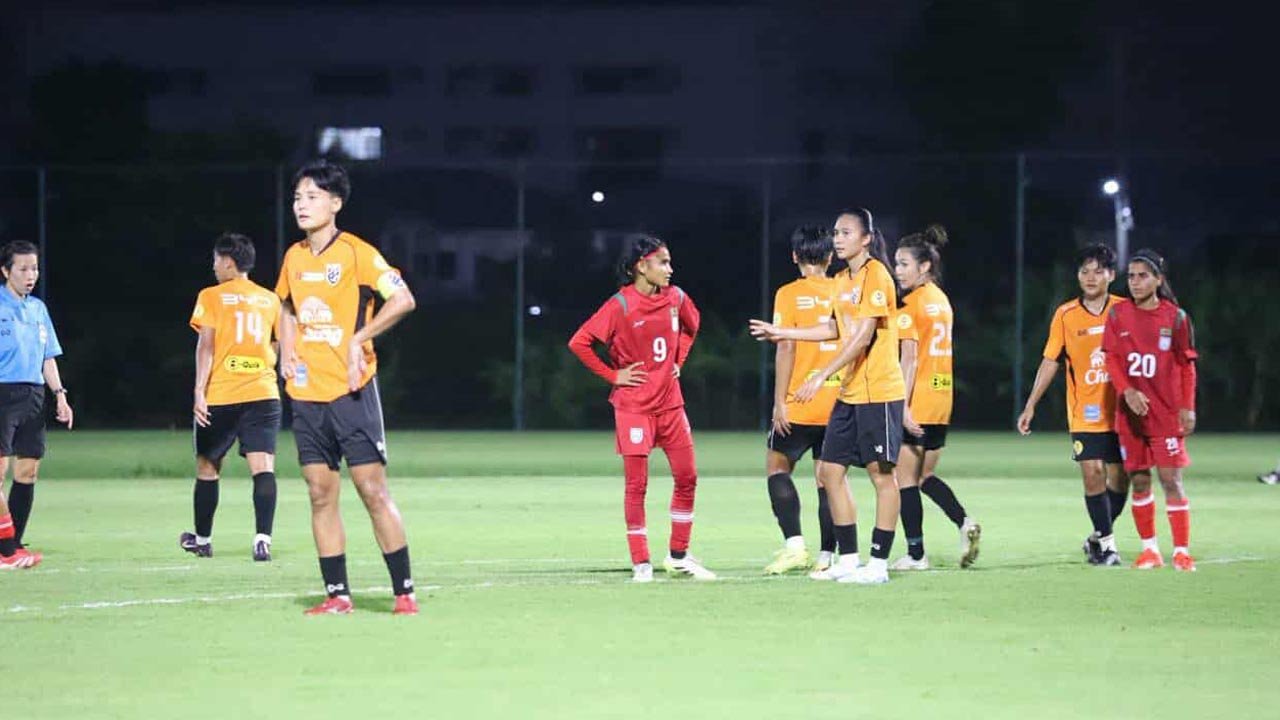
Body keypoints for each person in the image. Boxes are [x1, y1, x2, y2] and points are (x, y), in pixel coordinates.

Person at [275, 160, 419, 614]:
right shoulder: (294, 257)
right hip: (306, 394)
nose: (301, 205)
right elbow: (286, 308)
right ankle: (337, 595)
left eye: (312, 197)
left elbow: (403, 299)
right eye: (297, 197)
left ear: (335, 204)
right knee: (320, 492)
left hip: (351, 389)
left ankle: (404, 592)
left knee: (371, 490)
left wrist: (360, 338)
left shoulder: (358, 253)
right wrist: (285, 352)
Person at [750, 208, 904, 585]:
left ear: (866, 239)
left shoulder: (876, 275)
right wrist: (783, 332)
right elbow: (832, 327)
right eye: (836, 232)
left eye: (846, 232)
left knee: (882, 476)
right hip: (850, 392)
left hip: (879, 389)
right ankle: (847, 559)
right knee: (830, 472)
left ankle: (878, 564)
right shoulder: (841, 280)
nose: (838, 238)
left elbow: (862, 336)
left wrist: (821, 374)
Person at [568, 235, 713, 583]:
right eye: (663, 262)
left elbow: (692, 327)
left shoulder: (676, 298)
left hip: (671, 404)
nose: (670, 268)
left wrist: (678, 361)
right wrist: (613, 375)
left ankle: (679, 556)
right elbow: (579, 342)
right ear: (641, 266)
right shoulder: (620, 305)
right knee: (637, 485)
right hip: (633, 408)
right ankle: (641, 563)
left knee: (688, 477)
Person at [1017, 244, 1130, 566]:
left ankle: (1097, 536)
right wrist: (1030, 405)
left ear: (1111, 275)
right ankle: (1108, 546)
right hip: (1086, 412)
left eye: (1098, 271)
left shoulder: (1124, 310)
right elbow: (1050, 360)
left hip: (1123, 412)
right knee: (1093, 473)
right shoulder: (1066, 314)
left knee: (1120, 478)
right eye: (1084, 271)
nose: (1090, 277)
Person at [182, 233, 282, 561]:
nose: (213, 266)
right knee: (263, 466)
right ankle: (262, 540)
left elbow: (206, 346)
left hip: (222, 394)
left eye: (216, 260)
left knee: (207, 467)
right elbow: (279, 342)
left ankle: (203, 540)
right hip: (264, 393)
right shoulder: (269, 299)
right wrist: (264, 362)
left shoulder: (211, 296)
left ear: (228, 262)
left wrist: (199, 390)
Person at [890, 225, 980, 570]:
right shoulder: (940, 300)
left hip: (918, 399)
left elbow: (910, 359)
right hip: (942, 398)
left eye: (904, 264)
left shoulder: (910, 304)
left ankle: (916, 555)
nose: (897, 271)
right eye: (896, 264)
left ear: (924, 266)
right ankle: (964, 522)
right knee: (924, 477)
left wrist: (902, 406)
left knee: (904, 481)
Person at [1103, 248, 1198, 572]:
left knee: (1171, 479)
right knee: (1140, 480)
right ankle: (1150, 551)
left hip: (1166, 414)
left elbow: (1186, 366)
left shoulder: (1176, 318)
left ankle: (1181, 552)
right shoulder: (1117, 315)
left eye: (1143, 276)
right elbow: (1111, 359)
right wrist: (1127, 391)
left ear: (1158, 280)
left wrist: (1187, 407)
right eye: (1131, 276)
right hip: (1130, 415)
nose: (1135, 282)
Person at [760, 226, 839, 575]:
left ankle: (795, 548)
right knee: (828, 480)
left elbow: (786, 346)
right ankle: (827, 556)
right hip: (840, 401)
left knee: (778, 468)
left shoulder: (788, 294)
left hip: (801, 401)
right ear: (830, 257)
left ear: (794, 256)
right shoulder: (844, 289)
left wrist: (780, 401)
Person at [0, 240, 73, 570]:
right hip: (3, 394)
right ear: (6, 271)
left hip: (33, 395)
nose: (31, 275)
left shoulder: (38, 309)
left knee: (27, 471)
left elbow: (48, 357)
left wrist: (60, 394)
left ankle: (13, 545)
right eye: (23, 269)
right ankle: (5, 550)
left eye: (35, 268)